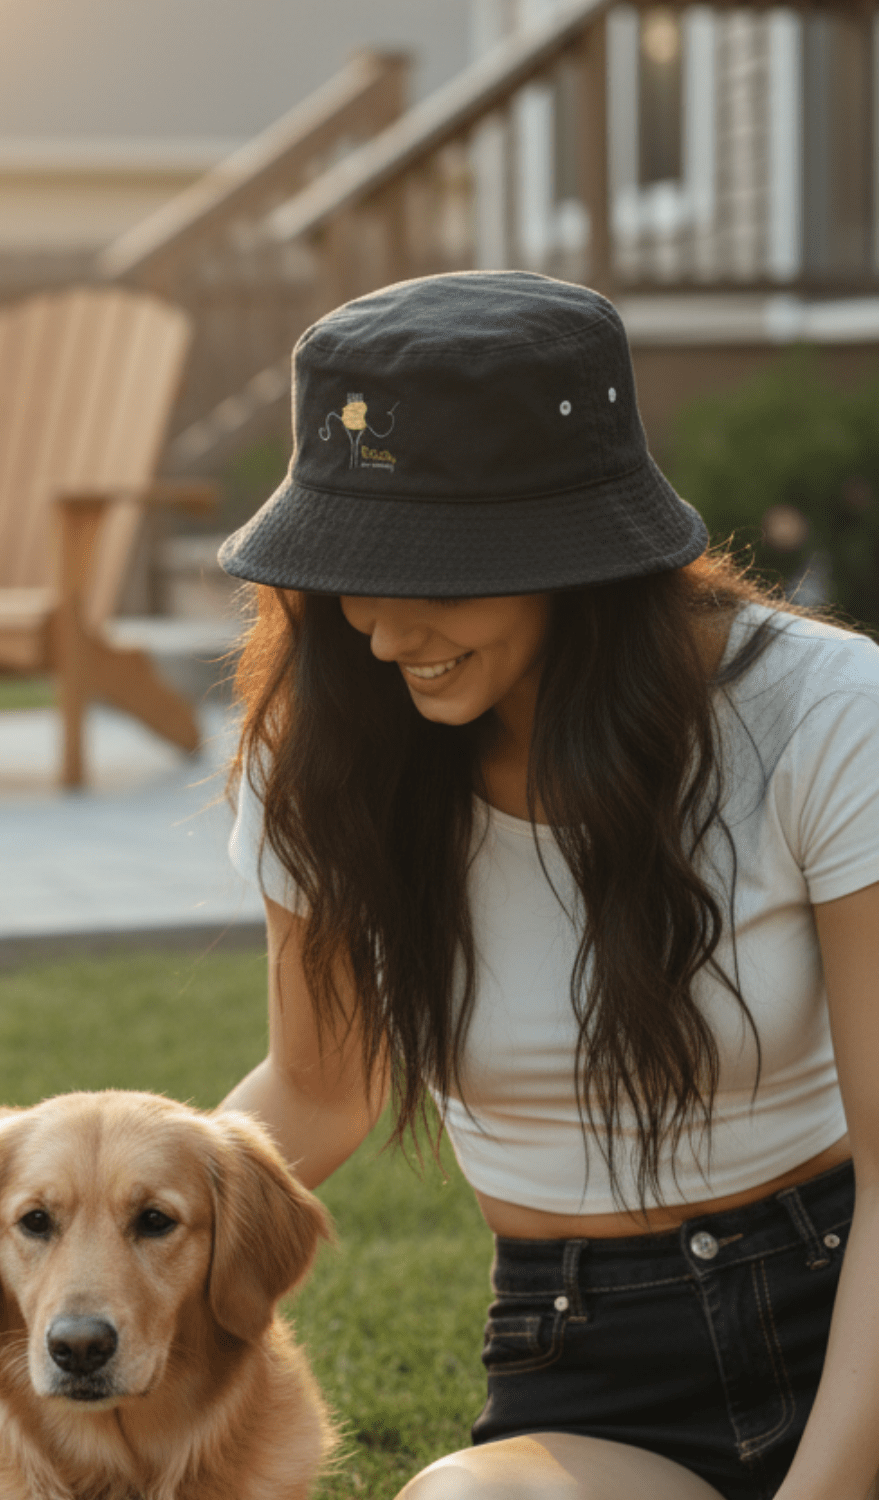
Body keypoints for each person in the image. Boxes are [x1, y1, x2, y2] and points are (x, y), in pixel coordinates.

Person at [215, 270, 879, 1500]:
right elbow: (316, 1087)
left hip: (855, 1309)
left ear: (585, 558)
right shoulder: (330, 748)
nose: (380, 629)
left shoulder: (828, 714)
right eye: (353, 567)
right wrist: (101, 1231)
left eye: (437, 572)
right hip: (589, 1357)